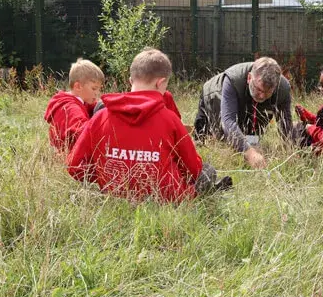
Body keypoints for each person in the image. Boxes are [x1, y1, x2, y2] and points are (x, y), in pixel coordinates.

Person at [67, 49, 230, 202]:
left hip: (114, 195)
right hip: (169, 201)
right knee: (208, 171)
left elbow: (74, 166)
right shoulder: (170, 119)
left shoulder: (100, 117)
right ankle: (207, 192)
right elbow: (194, 169)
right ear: (161, 82)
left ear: (131, 80)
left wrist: (106, 176)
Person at [194, 57, 294, 169]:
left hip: (246, 97)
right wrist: (250, 153)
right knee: (211, 140)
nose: (262, 96)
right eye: (259, 89)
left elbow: (286, 125)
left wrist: (292, 151)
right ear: (249, 77)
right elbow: (228, 121)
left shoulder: (283, 89)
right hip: (214, 97)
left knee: (251, 134)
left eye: (268, 92)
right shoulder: (232, 80)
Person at [44, 58, 104, 152]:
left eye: (99, 89)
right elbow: (83, 133)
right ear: (78, 86)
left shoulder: (81, 102)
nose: (97, 93)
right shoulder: (69, 107)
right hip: (66, 161)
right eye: (94, 88)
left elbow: (97, 107)